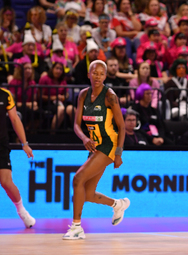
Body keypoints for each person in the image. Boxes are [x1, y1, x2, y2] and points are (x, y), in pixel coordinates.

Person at [63, 60, 129, 240]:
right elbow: (76, 125)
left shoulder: (110, 96)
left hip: (109, 145)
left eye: (101, 73)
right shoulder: (83, 95)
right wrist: (84, 138)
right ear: (89, 74)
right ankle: (117, 204)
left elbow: (122, 127)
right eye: (94, 72)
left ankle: (76, 227)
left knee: (77, 179)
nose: (98, 76)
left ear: (105, 76)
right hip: (94, 146)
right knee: (87, 193)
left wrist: (118, 154)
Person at [0, 87, 35, 228]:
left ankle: (22, 211)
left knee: (6, 181)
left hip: (1, 144)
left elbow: (14, 119)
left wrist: (24, 144)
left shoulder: (5, 94)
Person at [39, 62, 75, 130]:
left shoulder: (62, 80)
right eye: (57, 68)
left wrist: (64, 96)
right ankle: (53, 133)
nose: (58, 71)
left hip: (60, 102)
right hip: (47, 103)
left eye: (61, 69)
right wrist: (54, 97)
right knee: (61, 109)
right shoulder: (45, 78)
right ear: (52, 69)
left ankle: (74, 133)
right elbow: (40, 96)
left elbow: (66, 94)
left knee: (72, 109)